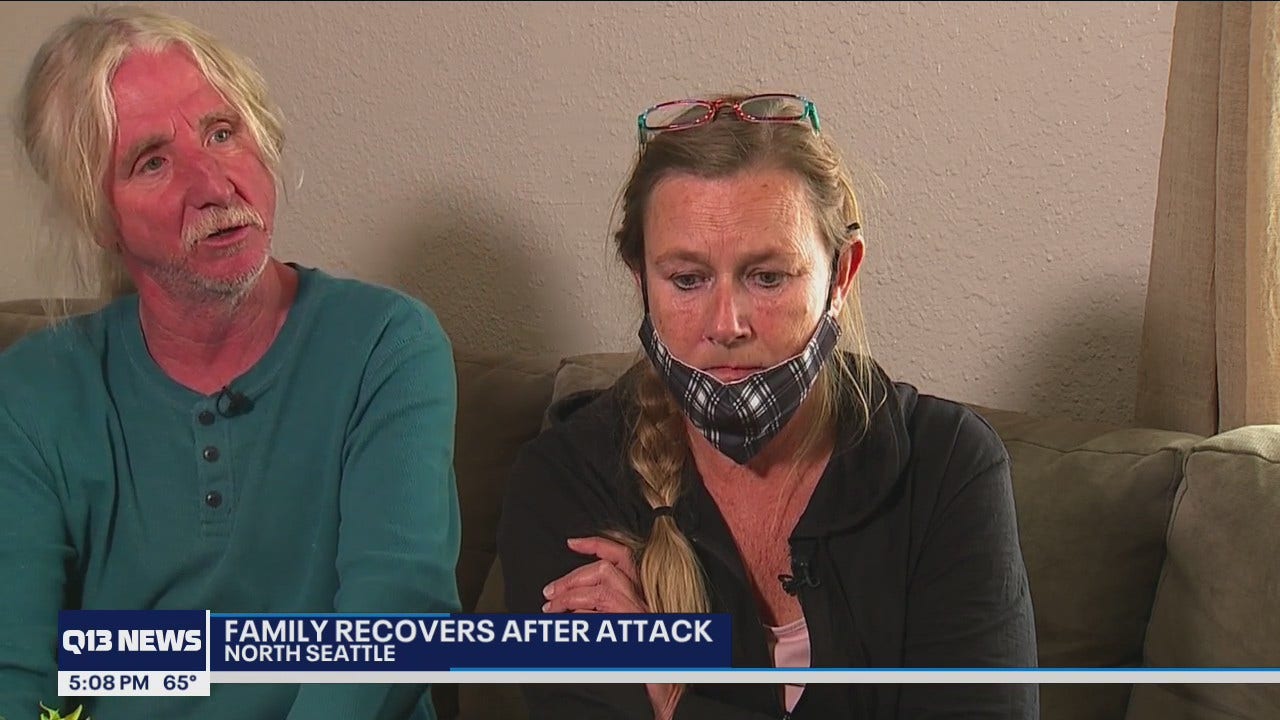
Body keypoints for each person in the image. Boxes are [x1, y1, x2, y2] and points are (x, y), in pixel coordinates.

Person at [497, 93, 1039, 719]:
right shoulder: (564, 483)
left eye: (768, 277)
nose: (726, 325)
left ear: (841, 276)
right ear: (640, 279)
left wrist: (674, 695)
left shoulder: (949, 468)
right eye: (687, 280)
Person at [0, 6, 460, 719]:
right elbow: (17, 671)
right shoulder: (34, 393)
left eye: (222, 133)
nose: (215, 185)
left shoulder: (385, 344)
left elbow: (397, 616)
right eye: (153, 161)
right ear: (99, 217)